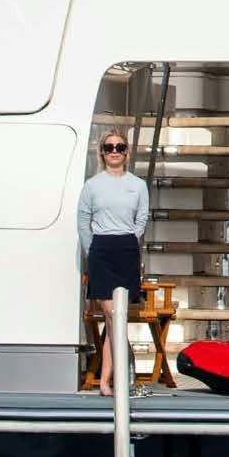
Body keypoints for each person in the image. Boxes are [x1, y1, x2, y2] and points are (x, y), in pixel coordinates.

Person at [78, 131, 151, 397]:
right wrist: (92, 250)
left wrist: (131, 238)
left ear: (127, 151)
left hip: (126, 249)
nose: (114, 151)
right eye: (109, 147)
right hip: (102, 249)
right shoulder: (92, 185)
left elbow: (142, 217)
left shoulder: (138, 185)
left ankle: (107, 381)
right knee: (112, 315)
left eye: (119, 147)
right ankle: (125, 373)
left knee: (116, 320)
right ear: (102, 152)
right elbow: (83, 219)